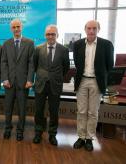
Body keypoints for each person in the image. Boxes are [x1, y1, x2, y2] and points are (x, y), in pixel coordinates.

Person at [73, 20, 114, 151]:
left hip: (97, 81)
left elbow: (110, 65)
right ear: (85, 30)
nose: (91, 31)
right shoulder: (78, 44)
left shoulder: (106, 44)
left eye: (94, 28)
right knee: (81, 111)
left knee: (93, 112)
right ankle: (81, 137)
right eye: (89, 28)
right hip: (82, 81)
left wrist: (101, 75)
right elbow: (77, 63)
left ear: (98, 30)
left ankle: (89, 138)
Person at [32, 25, 70, 146]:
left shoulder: (63, 50)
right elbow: (35, 65)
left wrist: (55, 76)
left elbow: (66, 67)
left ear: (57, 35)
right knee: (39, 110)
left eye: (53, 34)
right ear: (45, 35)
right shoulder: (38, 49)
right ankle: (38, 132)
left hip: (55, 84)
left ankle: (52, 134)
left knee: (54, 111)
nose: (50, 36)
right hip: (40, 84)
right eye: (48, 34)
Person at [1, 18, 35, 141]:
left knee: (22, 109)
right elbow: (3, 62)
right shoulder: (6, 43)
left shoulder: (30, 43)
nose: (16, 29)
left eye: (18, 27)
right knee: (8, 108)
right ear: (11, 29)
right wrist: (4, 78)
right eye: (14, 27)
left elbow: (31, 64)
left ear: (22, 27)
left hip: (23, 82)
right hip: (8, 83)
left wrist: (30, 80)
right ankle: (7, 129)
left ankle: (20, 131)